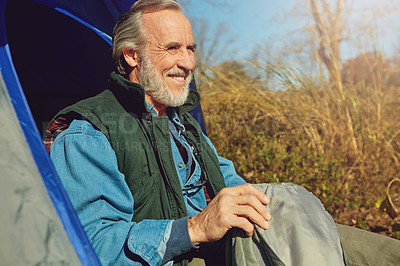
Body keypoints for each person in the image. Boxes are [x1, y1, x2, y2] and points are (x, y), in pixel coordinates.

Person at [45, 0, 400, 265]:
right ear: (132, 57)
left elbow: (234, 186)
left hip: (232, 243)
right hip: (186, 259)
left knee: (379, 252)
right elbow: (94, 246)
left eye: (190, 48)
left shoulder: (184, 126)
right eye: (171, 48)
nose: (187, 62)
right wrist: (197, 228)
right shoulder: (88, 133)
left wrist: (269, 204)